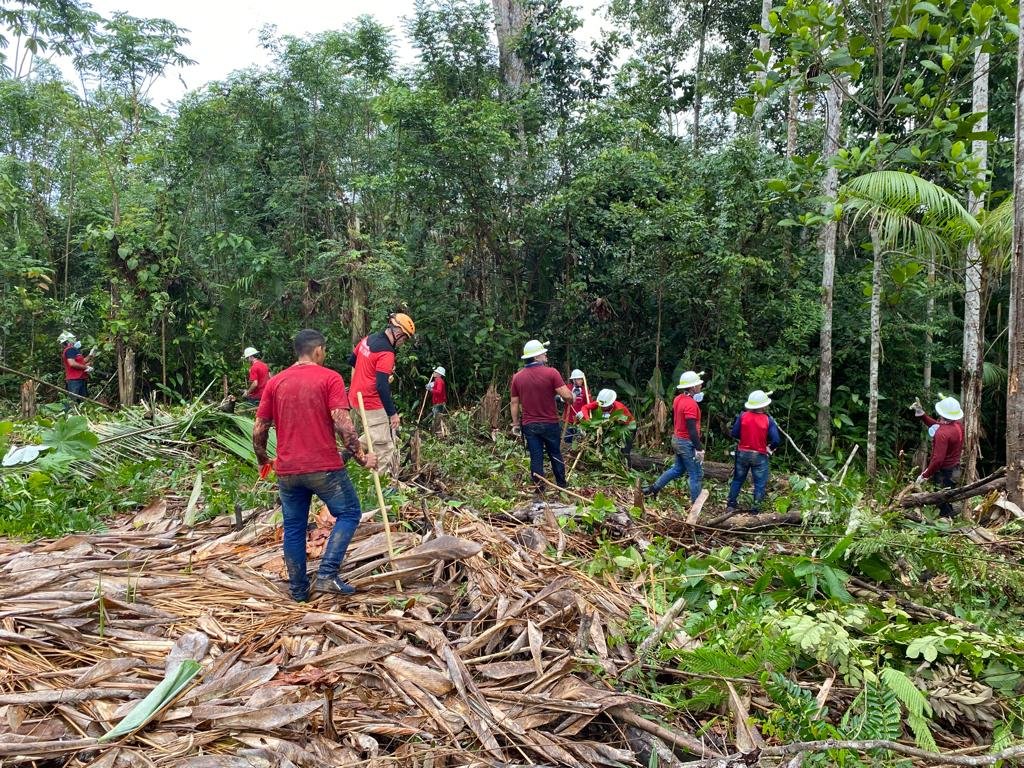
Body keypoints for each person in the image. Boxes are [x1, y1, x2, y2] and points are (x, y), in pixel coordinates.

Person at [253, 329, 378, 602]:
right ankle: (327, 574)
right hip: (323, 468)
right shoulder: (330, 378)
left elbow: (259, 429)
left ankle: (298, 591)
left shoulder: (276, 382)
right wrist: (362, 458)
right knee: (350, 513)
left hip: (288, 470)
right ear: (319, 350)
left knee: (294, 527)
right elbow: (344, 426)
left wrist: (264, 460)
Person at [349, 312, 416, 479]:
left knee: (374, 435)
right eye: (405, 339)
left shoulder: (368, 340)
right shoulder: (387, 353)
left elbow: (352, 361)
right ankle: (377, 485)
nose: (403, 343)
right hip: (370, 402)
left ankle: (347, 452)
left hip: (356, 397)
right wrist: (392, 413)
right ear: (398, 333)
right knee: (385, 447)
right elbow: (381, 386)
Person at [510, 340, 576, 492]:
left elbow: (514, 402)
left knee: (536, 456)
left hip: (530, 425)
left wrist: (515, 424)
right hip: (550, 423)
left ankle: (539, 488)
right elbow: (567, 396)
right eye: (543, 352)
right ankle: (562, 486)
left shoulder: (517, 377)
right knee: (555, 453)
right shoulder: (551, 373)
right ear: (536, 356)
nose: (546, 354)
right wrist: (572, 397)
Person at [643, 370, 706, 502]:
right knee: (696, 475)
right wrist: (699, 448)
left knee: (678, 469)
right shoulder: (690, 404)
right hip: (686, 442)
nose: (701, 386)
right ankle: (696, 506)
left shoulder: (678, 399)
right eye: (699, 384)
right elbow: (692, 429)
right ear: (693, 387)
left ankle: (653, 489)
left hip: (677, 439)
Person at [726, 390, 782, 515]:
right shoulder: (768, 420)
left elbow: (734, 433)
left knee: (738, 479)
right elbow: (776, 440)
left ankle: (731, 505)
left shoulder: (743, 416)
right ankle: (755, 509)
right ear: (763, 405)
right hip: (759, 455)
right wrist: (770, 447)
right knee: (759, 483)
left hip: (743, 453)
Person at [912, 395, 964, 518]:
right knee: (947, 495)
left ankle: (946, 521)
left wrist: (925, 475)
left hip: (944, 472)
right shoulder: (958, 426)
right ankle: (950, 515)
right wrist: (922, 415)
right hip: (955, 468)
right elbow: (938, 425)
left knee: (941, 499)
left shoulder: (942, 433)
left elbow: (938, 460)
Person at [581, 388, 636, 456]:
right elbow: (584, 407)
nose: (602, 408)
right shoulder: (601, 402)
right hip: (612, 426)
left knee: (625, 451)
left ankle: (626, 461)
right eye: (601, 406)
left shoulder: (619, 409)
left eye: (605, 407)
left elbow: (621, 423)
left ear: (610, 403)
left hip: (627, 427)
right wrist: (588, 419)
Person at [59, 331, 93, 409]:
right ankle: (68, 415)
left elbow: (82, 362)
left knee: (82, 401)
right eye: (73, 338)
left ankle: (79, 414)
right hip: (75, 379)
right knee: (73, 401)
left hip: (81, 378)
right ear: (68, 341)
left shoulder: (74, 350)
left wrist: (90, 356)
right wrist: (86, 367)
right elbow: (72, 363)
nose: (75, 340)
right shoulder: (70, 350)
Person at [563, 369, 589, 445]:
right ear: (573, 380)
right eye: (577, 379)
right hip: (569, 419)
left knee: (581, 439)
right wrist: (562, 398)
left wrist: (583, 412)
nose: (579, 381)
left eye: (580, 379)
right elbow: (562, 395)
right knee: (567, 439)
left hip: (580, 419)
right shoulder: (568, 387)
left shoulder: (585, 390)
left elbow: (589, 403)